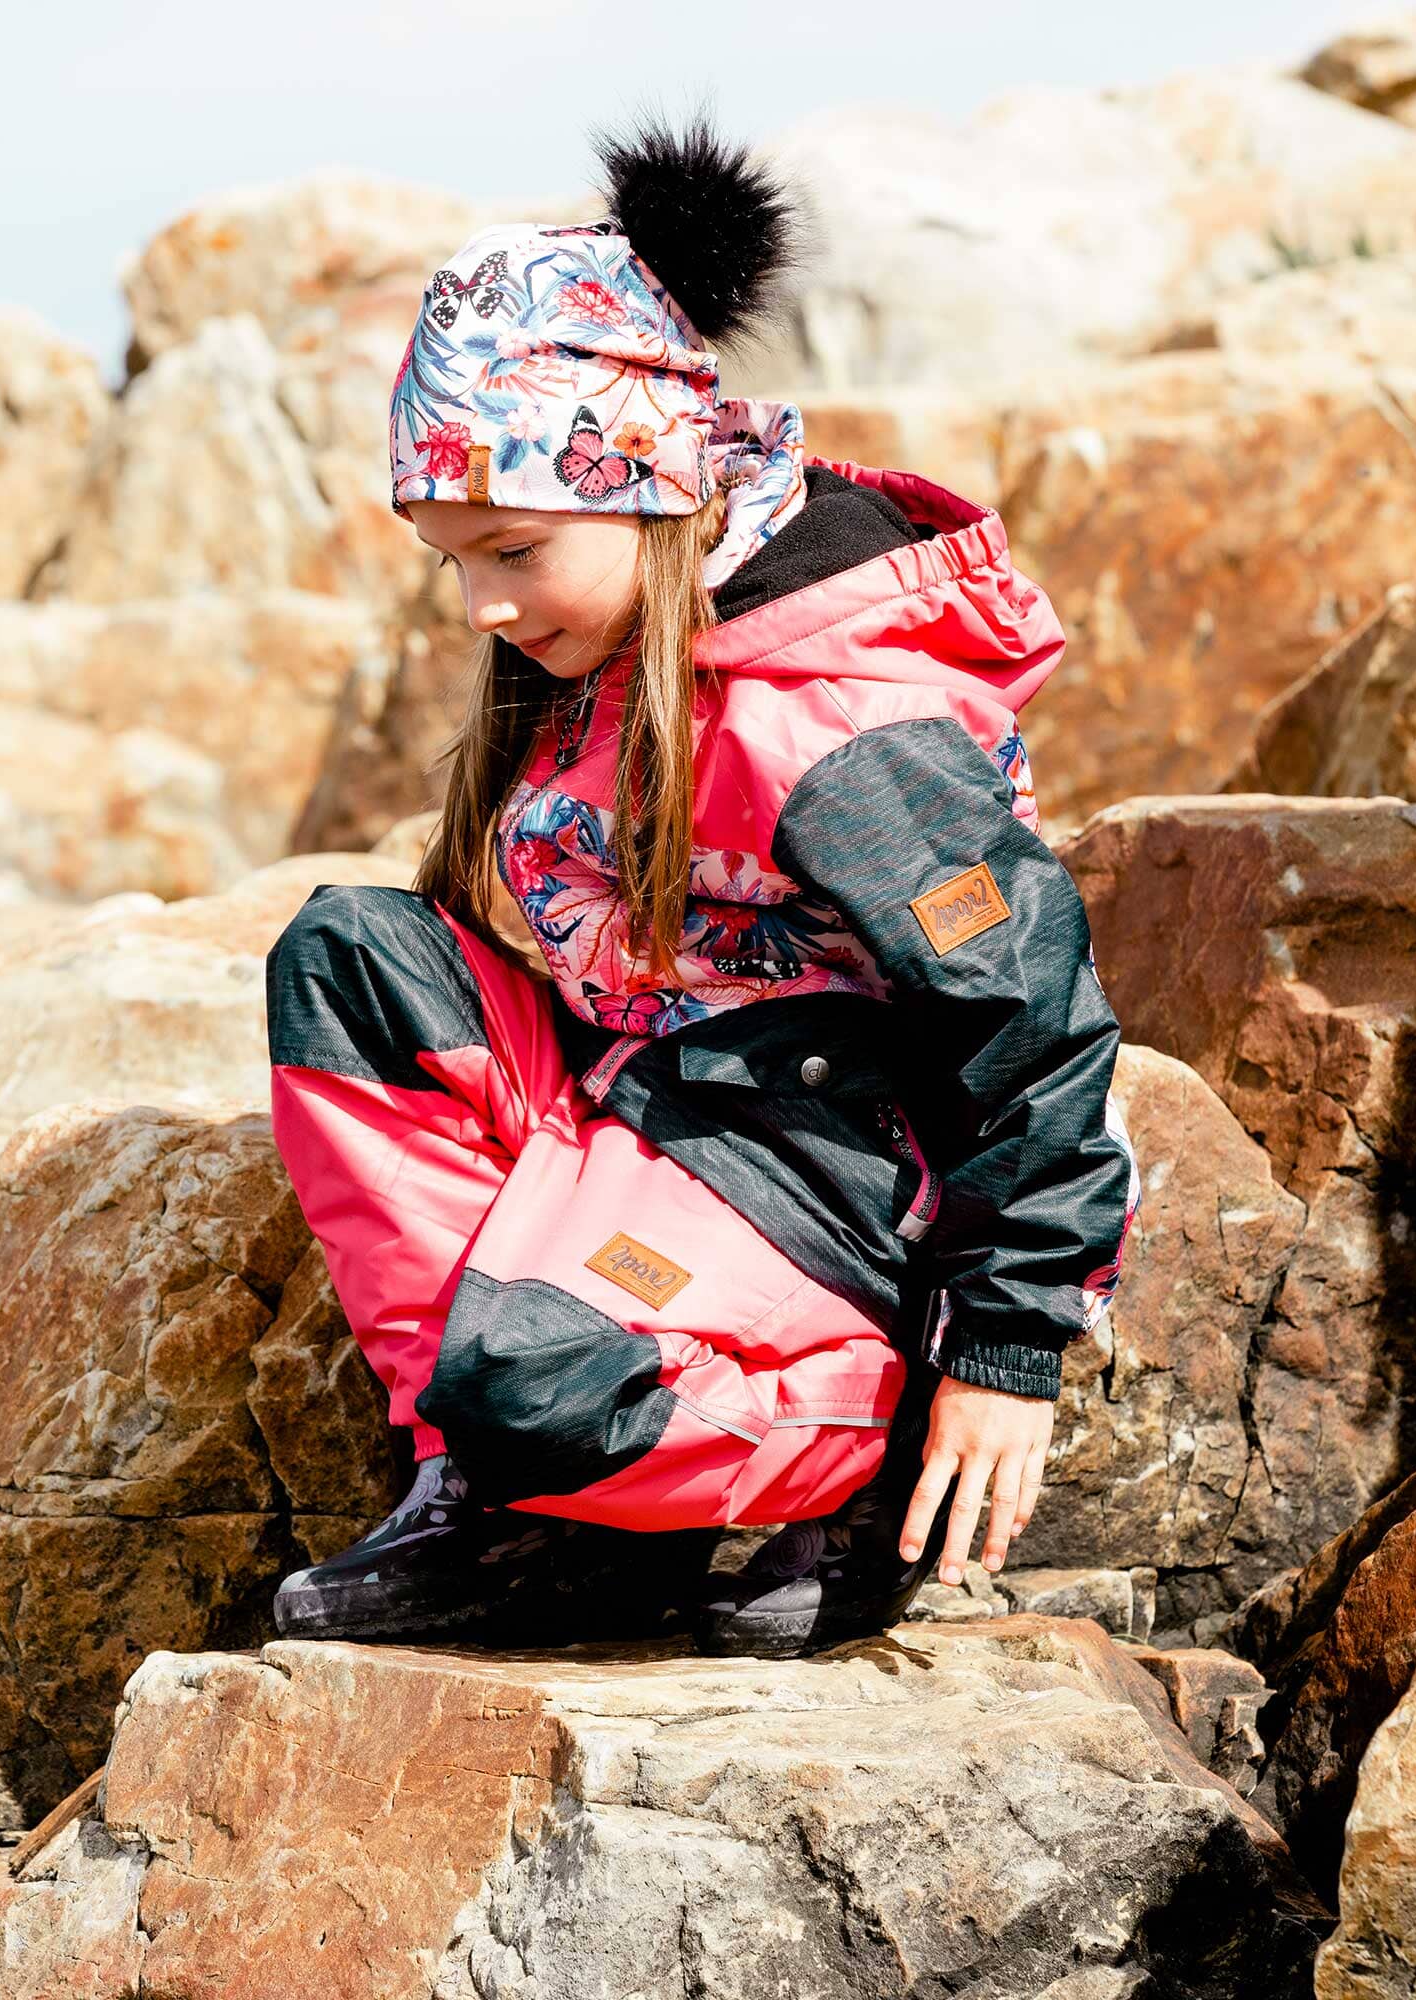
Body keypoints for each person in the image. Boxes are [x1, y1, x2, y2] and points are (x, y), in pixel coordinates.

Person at [264, 113, 1141, 1658]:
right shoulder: (598, 652)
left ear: (651, 486)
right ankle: (494, 1494)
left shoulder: (833, 726)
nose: (481, 605)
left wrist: (1004, 1351)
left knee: (544, 1383)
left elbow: (1035, 1021)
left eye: (515, 549)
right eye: (450, 560)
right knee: (349, 957)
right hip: (649, 1107)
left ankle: (847, 1451)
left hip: (822, 1173)